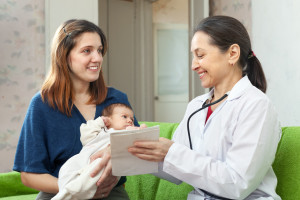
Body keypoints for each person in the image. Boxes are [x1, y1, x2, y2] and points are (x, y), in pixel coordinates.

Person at [128, 15, 282, 200]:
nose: (193, 65)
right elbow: (176, 170)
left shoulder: (256, 106)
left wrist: (172, 152)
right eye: (193, 56)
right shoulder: (196, 106)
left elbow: (238, 184)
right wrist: (138, 146)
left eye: (200, 55)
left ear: (233, 53)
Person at [13, 19, 139, 200]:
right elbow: (29, 175)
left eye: (100, 50)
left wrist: (117, 150)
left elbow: (140, 153)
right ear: (64, 56)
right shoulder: (41, 105)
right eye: (87, 51)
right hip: (60, 193)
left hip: (109, 194)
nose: (97, 58)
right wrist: (78, 189)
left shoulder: (117, 100)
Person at [52, 103, 136, 200]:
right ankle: (65, 191)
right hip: (82, 159)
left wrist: (139, 131)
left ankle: (67, 196)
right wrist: (100, 122)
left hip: (104, 164)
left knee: (96, 170)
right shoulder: (100, 132)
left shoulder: (128, 134)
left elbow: (138, 142)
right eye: (124, 117)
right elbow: (85, 134)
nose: (130, 120)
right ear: (108, 119)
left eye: (132, 119)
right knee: (66, 169)